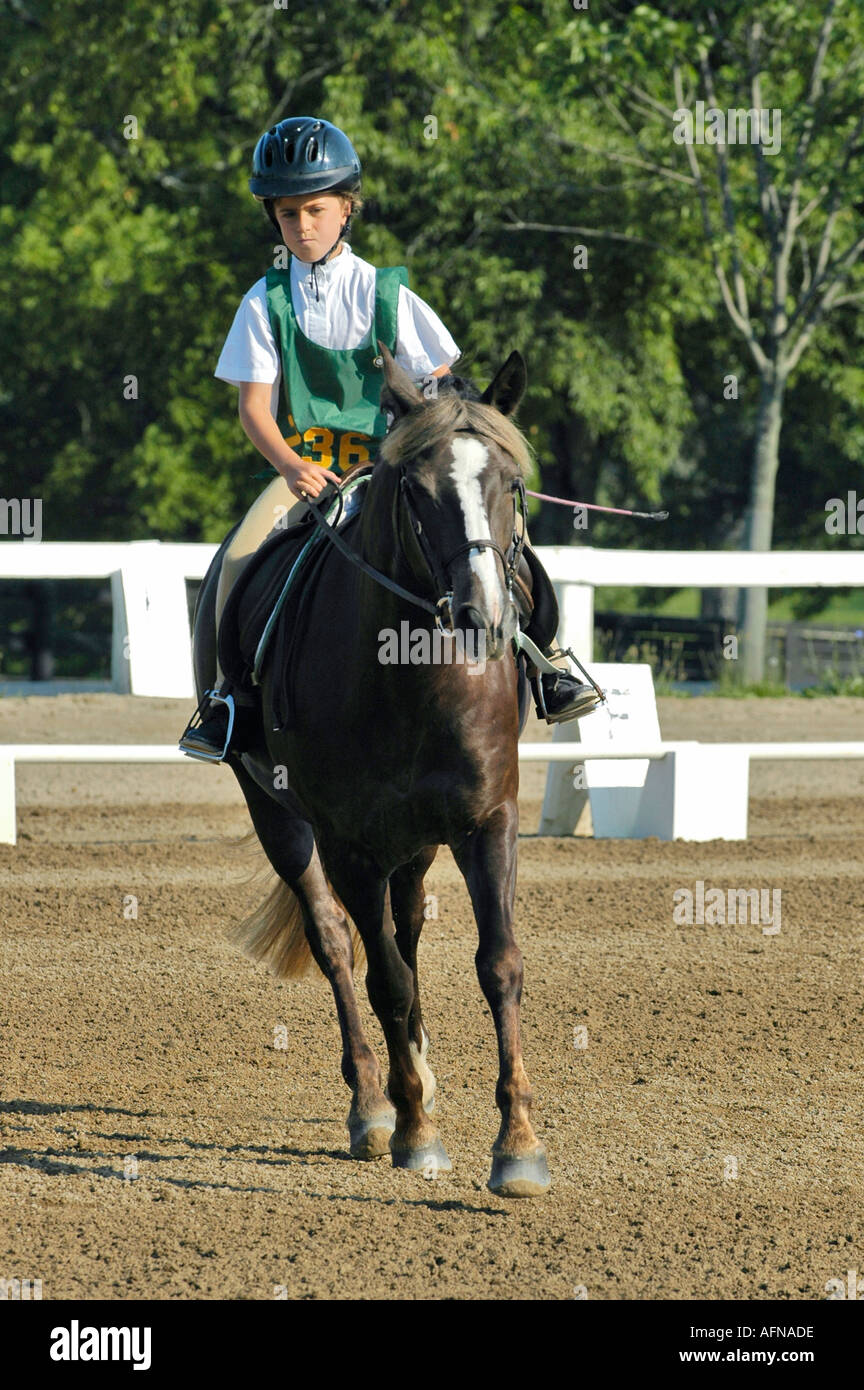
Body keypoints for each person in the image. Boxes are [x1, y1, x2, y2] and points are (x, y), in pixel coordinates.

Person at [180, 117, 600, 761]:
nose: (302, 226)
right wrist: (292, 467)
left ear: (347, 208)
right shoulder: (263, 303)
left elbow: (443, 387)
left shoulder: (388, 294)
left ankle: (549, 665)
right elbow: (254, 409)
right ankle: (226, 701)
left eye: (316, 210)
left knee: (500, 545)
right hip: (311, 471)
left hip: (397, 471)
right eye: (288, 214)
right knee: (238, 561)